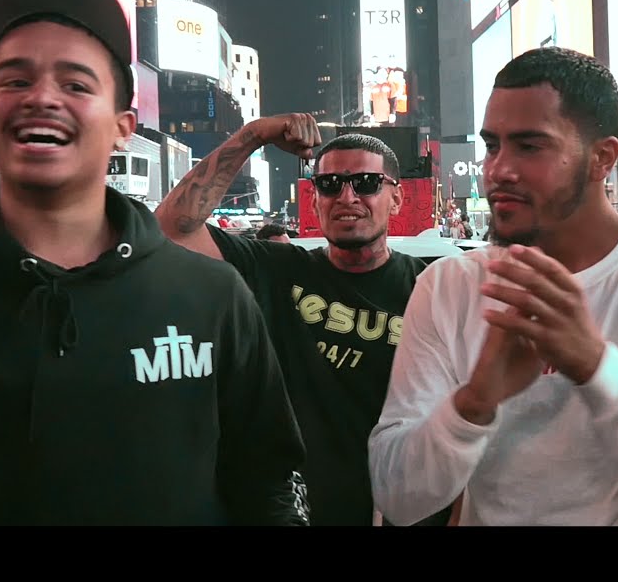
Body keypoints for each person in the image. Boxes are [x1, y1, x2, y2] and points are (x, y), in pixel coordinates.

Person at [0, 0, 308, 525]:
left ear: (123, 127)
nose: (41, 98)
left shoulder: (210, 296)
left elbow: (269, 479)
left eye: (75, 84)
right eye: (15, 80)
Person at [368, 47, 618, 526]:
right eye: (492, 146)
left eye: (529, 146)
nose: (498, 170)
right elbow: (397, 497)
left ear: (602, 158)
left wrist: (595, 366)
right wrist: (473, 403)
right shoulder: (447, 286)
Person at [156, 119, 445, 526]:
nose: (347, 196)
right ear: (314, 200)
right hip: (292, 510)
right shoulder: (276, 269)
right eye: (329, 185)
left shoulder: (431, 290)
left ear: (395, 198)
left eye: (366, 183)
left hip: (403, 509)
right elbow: (171, 228)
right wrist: (254, 135)